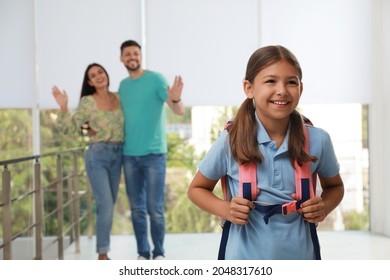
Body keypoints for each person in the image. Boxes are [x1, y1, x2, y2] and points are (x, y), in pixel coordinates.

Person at [187, 45, 344, 260]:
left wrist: (323, 207)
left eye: (291, 82)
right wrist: (225, 209)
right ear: (249, 88)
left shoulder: (318, 140)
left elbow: (335, 187)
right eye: (271, 81)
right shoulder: (231, 141)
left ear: (301, 88)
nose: (282, 90)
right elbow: (196, 189)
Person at [118, 40, 184, 260]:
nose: (132, 57)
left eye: (135, 53)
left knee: (154, 208)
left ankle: (159, 252)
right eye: (128, 54)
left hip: (155, 154)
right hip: (129, 155)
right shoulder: (123, 86)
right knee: (137, 208)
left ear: (141, 55)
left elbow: (179, 110)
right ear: (121, 58)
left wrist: (175, 97)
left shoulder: (156, 79)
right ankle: (143, 253)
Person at [52, 63, 124, 260]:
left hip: (119, 155)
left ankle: (103, 250)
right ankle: (103, 253)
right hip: (97, 155)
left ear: (106, 74)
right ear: (90, 82)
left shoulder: (119, 97)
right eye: (93, 75)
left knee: (108, 205)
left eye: (100, 72)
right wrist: (64, 106)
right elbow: (69, 129)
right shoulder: (87, 101)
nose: (98, 76)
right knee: (106, 205)